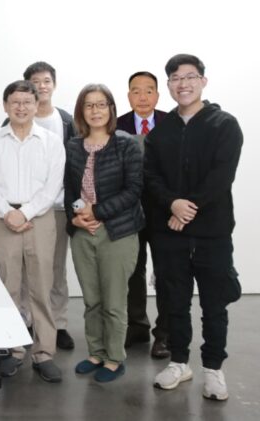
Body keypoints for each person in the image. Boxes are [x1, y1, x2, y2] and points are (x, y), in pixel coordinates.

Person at [146, 54, 243, 401]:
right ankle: (179, 362)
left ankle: (214, 369)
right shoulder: (161, 131)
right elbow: (151, 176)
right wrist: (172, 203)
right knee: (174, 302)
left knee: (214, 305)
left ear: (203, 81)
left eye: (189, 76)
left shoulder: (224, 125)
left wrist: (186, 209)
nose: (182, 83)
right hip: (169, 233)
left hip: (212, 232)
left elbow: (221, 176)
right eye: (175, 78)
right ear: (169, 85)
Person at [0, 80, 65, 383]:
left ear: (36, 105)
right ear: (5, 105)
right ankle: (12, 349)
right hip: (3, 219)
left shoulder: (51, 141)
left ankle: (44, 353)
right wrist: (9, 213)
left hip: (40, 219)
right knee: (9, 287)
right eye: (15, 102)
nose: (21, 107)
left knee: (42, 286)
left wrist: (25, 213)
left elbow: (53, 185)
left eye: (27, 102)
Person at [65, 84, 144, 383]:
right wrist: (76, 218)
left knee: (113, 302)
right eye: (89, 105)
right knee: (92, 300)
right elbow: (69, 188)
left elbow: (133, 191)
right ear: (81, 111)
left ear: (111, 108)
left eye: (101, 104)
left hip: (117, 232)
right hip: (83, 233)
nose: (95, 111)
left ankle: (114, 358)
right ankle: (96, 353)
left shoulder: (126, 144)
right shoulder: (73, 146)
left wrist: (96, 212)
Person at [116, 71, 170, 359]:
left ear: (157, 95)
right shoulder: (117, 125)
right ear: (128, 96)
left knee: (166, 272)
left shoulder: (172, 123)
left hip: (164, 212)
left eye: (149, 90)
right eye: (136, 91)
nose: (143, 97)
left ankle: (165, 334)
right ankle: (136, 326)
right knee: (132, 271)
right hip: (129, 211)